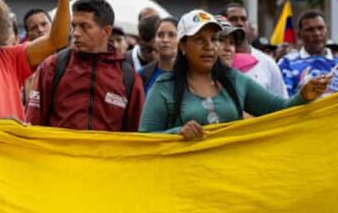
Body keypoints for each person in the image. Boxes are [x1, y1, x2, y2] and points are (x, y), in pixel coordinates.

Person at [139, 10, 330, 139]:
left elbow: (280, 110)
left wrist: (304, 95)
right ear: (182, 45)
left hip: (232, 181)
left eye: (214, 39)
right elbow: (144, 140)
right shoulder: (164, 87)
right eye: (199, 40)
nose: (209, 46)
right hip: (185, 183)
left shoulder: (235, 80)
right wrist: (177, 133)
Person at [25, 0, 144, 131]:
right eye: (74, 26)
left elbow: (137, 134)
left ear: (106, 31)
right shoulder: (53, 66)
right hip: (57, 146)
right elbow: (32, 125)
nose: (75, 33)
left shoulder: (128, 77)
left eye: (84, 26)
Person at [223, 3, 287, 96]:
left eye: (243, 19)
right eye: (233, 19)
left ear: (249, 26)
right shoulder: (214, 63)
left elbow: (282, 100)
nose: (239, 23)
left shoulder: (267, 63)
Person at [277, 10, 338, 97]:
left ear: (327, 30)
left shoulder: (336, 63)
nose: (317, 33)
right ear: (299, 35)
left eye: (320, 28)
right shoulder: (287, 63)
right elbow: (283, 99)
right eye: (310, 30)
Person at [140, 17, 178, 93]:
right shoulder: (142, 74)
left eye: (171, 35)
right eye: (160, 35)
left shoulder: (192, 74)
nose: (165, 40)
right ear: (154, 40)